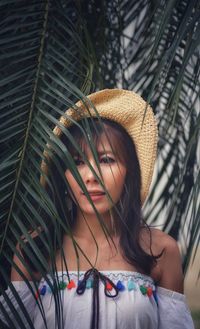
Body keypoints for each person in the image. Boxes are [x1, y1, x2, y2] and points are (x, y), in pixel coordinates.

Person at [0, 89, 194, 329]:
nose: (91, 177)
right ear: (63, 175)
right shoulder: (35, 247)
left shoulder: (161, 250)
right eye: (78, 162)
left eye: (106, 160)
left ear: (128, 172)